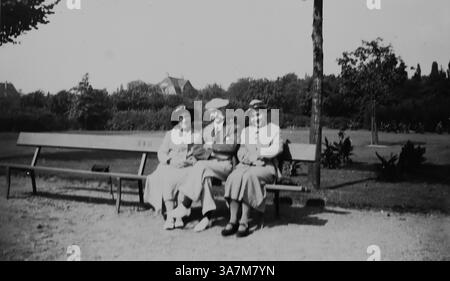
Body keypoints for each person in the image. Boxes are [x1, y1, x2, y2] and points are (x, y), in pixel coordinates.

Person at [168, 98, 239, 232]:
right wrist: (213, 153)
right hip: (209, 165)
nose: (211, 115)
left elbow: (230, 147)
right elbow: (197, 149)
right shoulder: (206, 130)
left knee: (200, 166)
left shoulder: (233, 128)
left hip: (225, 166)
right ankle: (207, 217)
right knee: (204, 175)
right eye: (210, 113)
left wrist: (211, 147)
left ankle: (185, 204)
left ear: (222, 112)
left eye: (214, 112)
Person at [222, 99, 283, 237]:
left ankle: (244, 220)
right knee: (234, 176)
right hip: (247, 165)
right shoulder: (247, 131)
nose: (256, 117)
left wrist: (259, 154)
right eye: (253, 115)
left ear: (265, 114)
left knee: (249, 177)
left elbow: (277, 148)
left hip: (266, 167)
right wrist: (247, 158)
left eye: (259, 114)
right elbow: (241, 150)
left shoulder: (273, 129)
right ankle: (233, 220)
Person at [143, 105, 201, 230]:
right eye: (181, 118)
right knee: (168, 178)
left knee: (188, 178)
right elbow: (161, 152)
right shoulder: (170, 134)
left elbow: (200, 152)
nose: (184, 121)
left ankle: (179, 216)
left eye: (187, 117)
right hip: (172, 164)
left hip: (187, 166)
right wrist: (169, 160)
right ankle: (170, 216)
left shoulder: (195, 134)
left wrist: (194, 159)